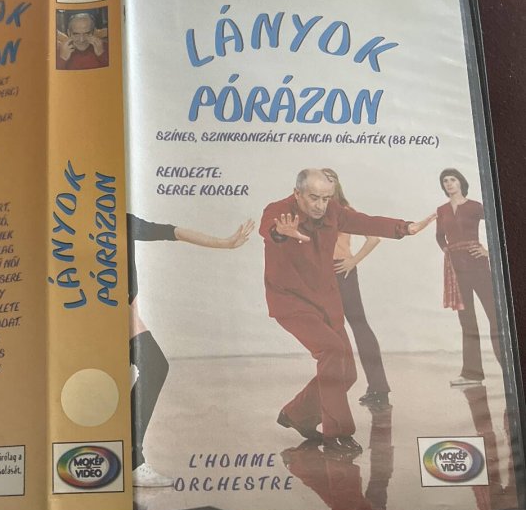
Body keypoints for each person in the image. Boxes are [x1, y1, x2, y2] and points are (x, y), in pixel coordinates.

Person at [261, 169, 432, 455]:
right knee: (332, 351)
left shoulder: (334, 212)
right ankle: (337, 434)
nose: (320, 205)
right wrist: (281, 233)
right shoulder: (279, 210)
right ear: (297, 194)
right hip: (291, 301)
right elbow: (269, 228)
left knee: (347, 373)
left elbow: (366, 222)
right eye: (314, 198)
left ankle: (297, 414)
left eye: (326, 198)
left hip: (326, 298)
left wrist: (405, 228)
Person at [128, 213, 254, 486]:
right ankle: (128, 458)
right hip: (99, 316)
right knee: (153, 368)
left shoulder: (120, 219)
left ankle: (128, 455)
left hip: (124, 315)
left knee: (154, 368)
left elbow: (171, 231)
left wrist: (224, 243)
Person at [322, 167, 391, 407]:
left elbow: (374, 238)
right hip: (319, 274)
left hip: (342, 271)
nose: (326, 184)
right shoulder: (314, 212)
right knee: (328, 331)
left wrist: (352, 261)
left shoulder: (346, 212)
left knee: (359, 326)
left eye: (330, 180)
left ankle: (379, 388)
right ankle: (333, 392)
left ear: (336, 185)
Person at [436, 168, 503, 386]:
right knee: (467, 321)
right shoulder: (442, 210)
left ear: (460, 182)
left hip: (478, 266)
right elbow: (439, 237)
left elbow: (498, 224)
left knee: (495, 317)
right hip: (456, 270)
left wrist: (489, 251)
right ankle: (472, 374)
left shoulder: (475, 206)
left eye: (452, 180)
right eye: (445, 181)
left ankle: (509, 368)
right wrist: (448, 251)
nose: (449, 183)